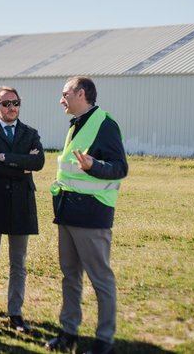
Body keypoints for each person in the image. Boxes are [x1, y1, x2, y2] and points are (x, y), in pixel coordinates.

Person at [45, 77, 128, 354]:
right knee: (70, 276)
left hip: (92, 216)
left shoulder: (105, 124)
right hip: (68, 213)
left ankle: (104, 339)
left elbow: (119, 168)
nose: (61, 99)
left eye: (65, 93)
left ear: (81, 94)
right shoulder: (76, 124)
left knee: (100, 278)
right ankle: (68, 332)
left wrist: (94, 165)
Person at [0, 85, 45, 335]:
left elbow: (38, 162)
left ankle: (15, 314)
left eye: (15, 102)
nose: (11, 107)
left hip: (21, 204)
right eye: (5, 103)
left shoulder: (30, 133)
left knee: (18, 264)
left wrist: (7, 158)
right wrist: (21, 165)